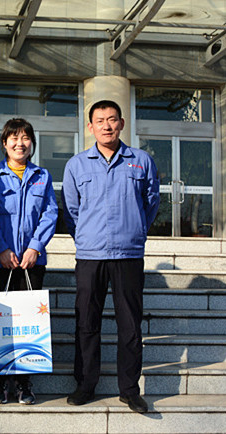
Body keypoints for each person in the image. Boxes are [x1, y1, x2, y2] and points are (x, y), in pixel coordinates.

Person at [61, 100, 160, 414]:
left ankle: (129, 390)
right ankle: (85, 385)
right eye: (100, 120)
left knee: (130, 325)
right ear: (90, 127)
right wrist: (86, 236)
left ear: (122, 124)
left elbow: (151, 202)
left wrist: (136, 230)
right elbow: (71, 210)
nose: (106, 125)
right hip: (90, 255)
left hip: (128, 254)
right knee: (87, 323)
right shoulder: (77, 165)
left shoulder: (141, 161)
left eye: (112, 119)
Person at [0, 118, 58, 404]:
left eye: (25, 138)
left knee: (28, 323)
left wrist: (35, 247)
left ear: (32, 143)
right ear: (4, 143)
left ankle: (24, 382)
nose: (20, 143)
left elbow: (50, 213)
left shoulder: (42, 175)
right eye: (13, 138)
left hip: (31, 262)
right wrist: (1, 249)